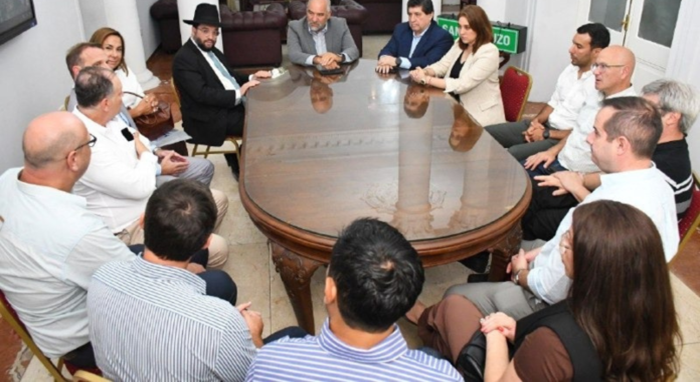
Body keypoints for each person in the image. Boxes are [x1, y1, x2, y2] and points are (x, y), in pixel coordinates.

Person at [426, 97, 678, 322]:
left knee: (453, 297)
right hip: (598, 292)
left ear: (621, 145)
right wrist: (541, 252)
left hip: (564, 307)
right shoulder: (658, 185)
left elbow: (550, 289)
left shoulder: (604, 212)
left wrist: (521, 273)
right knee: (515, 241)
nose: (588, 139)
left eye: (596, 133)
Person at [413, 201, 681, 381]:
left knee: (448, 310)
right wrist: (517, 331)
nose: (561, 249)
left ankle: (434, 351)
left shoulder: (554, 341)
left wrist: (494, 335)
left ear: (592, 266)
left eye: (568, 243)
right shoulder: (650, 314)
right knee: (453, 310)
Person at [88, 179, 306, 381]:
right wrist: (254, 338)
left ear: (143, 221)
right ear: (206, 243)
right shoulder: (222, 324)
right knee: (297, 336)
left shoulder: (102, 276)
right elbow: (254, 376)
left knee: (220, 284)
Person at [245, 218, 462, 382]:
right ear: (406, 299)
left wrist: (256, 341)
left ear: (330, 290)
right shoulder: (443, 376)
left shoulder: (269, 362)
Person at [0, 112, 134, 369]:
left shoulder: (6, 180)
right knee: (210, 283)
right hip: (88, 341)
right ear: (73, 159)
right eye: (89, 142)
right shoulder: (79, 231)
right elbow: (140, 284)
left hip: (49, 323)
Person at [71, 67, 229, 267]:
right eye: (120, 94)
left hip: (151, 203)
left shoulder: (109, 119)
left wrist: (155, 152)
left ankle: (188, 255)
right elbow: (140, 186)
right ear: (105, 103)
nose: (123, 100)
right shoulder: (85, 143)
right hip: (130, 226)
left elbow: (138, 140)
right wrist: (145, 154)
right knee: (218, 247)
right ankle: (184, 269)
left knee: (217, 200)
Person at [524, 79, 699, 239]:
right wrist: (578, 179)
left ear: (672, 118)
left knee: (537, 219)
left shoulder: (665, 169)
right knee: (539, 190)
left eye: (647, 109)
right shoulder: (657, 146)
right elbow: (614, 177)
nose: (637, 114)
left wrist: (576, 186)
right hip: (607, 202)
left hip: (617, 232)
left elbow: (616, 223)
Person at [89, 27, 215, 186]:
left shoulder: (125, 72)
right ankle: (177, 186)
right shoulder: (92, 88)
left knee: (178, 145)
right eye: (108, 48)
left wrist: (150, 101)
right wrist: (136, 112)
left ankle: (186, 185)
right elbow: (112, 124)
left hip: (141, 128)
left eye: (119, 49)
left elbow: (138, 98)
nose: (114, 54)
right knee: (174, 172)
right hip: (133, 140)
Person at [172, 3, 271, 178]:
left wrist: (252, 77)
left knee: (267, 109)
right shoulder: (184, 58)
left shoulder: (212, 50)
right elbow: (202, 94)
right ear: (193, 30)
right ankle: (245, 168)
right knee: (259, 122)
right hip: (207, 117)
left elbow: (230, 76)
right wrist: (239, 93)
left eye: (214, 32)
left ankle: (240, 156)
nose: (211, 37)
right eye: (205, 31)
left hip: (226, 105)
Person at [485, 23, 609, 160]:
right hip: (544, 126)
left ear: (597, 52)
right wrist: (535, 123)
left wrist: (546, 134)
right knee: (486, 134)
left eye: (578, 47)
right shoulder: (570, 69)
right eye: (573, 43)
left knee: (512, 154)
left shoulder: (599, 84)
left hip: (561, 138)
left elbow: (583, 131)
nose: (571, 50)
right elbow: (553, 103)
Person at [523, 45, 637, 177]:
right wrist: (551, 152)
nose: (595, 72)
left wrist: (579, 181)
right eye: (596, 65)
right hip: (559, 161)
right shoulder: (596, 94)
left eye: (603, 66)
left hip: (576, 177)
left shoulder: (631, 113)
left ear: (624, 72)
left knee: (517, 183)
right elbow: (577, 132)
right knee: (512, 173)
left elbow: (620, 172)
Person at [410, 5, 505, 126]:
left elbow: (463, 84)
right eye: (460, 27)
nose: (461, 32)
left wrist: (427, 79)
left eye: (467, 27)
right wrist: (425, 71)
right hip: (456, 108)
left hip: (480, 116)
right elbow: (443, 65)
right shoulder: (459, 43)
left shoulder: (489, 51)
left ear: (479, 28)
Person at [375, 0, 453, 74]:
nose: (412, 20)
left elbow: (429, 61)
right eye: (410, 14)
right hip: (399, 78)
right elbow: (388, 49)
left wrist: (398, 61)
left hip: (423, 80)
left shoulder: (442, 37)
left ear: (430, 15)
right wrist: (384, 61)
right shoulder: (401, 29)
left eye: (417, 14)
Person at [287, 0, 359, 69]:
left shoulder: (340, 24)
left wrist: (338, 57)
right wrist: (319, 60)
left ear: (328, 15)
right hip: (309, 74)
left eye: (320, 15)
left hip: (335, 71)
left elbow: (353, 50)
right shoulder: (295, 27)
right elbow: (294, 54)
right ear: (306, 11)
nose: (314, 19)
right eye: (311, 13)